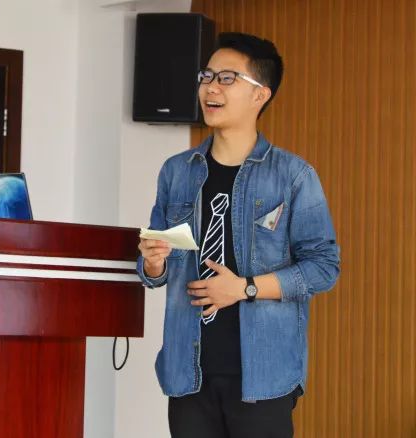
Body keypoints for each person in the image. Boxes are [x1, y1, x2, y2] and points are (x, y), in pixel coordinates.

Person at [136, 32, 340, 438]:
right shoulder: (176, 171)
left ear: (260, 95)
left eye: (227, 78)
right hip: (188, 373)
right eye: (207, 75)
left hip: (263, 377)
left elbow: (324, 268)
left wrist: (245, 288)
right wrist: (154, 262)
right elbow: (155, 273)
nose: (210, 87)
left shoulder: (294, 176)